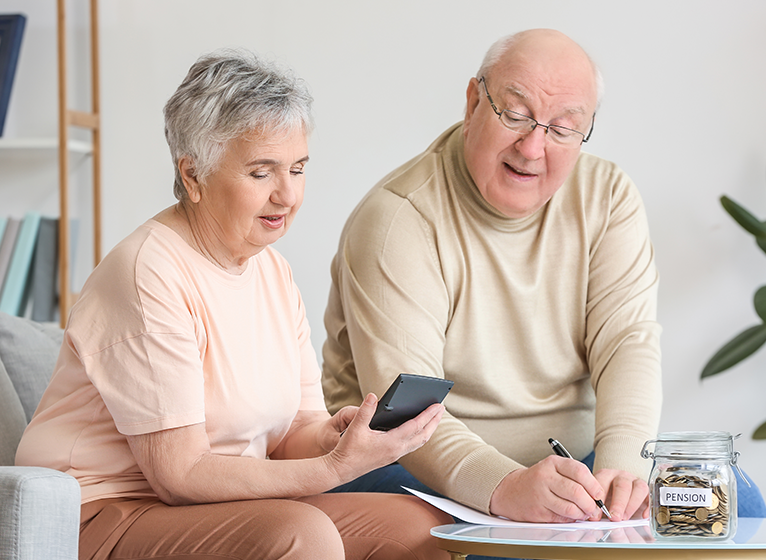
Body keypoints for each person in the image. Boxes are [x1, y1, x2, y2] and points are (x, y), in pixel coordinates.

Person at [15, 50, 452, 560]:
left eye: (297, 168)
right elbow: (179, 475)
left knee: (422, 526)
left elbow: (293, 432)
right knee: (301, 534)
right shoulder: (147, 272)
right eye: (261, 172)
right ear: (194, 176)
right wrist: (334, 470)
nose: (287, 195)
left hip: (217, 503)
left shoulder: (272, 269)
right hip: (107, 510)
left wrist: (336, 437)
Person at [322, 28, 766, 527]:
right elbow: (407, 415)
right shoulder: (399, 219)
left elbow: (627, 343)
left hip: (571, 468)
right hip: (408, 466)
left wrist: (622, 471)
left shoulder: (608, 197)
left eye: (561, 128)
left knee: (736, 507)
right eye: (514, 116)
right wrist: (507, 488)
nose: (532, 148)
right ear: (473, 103)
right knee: (529, 545)